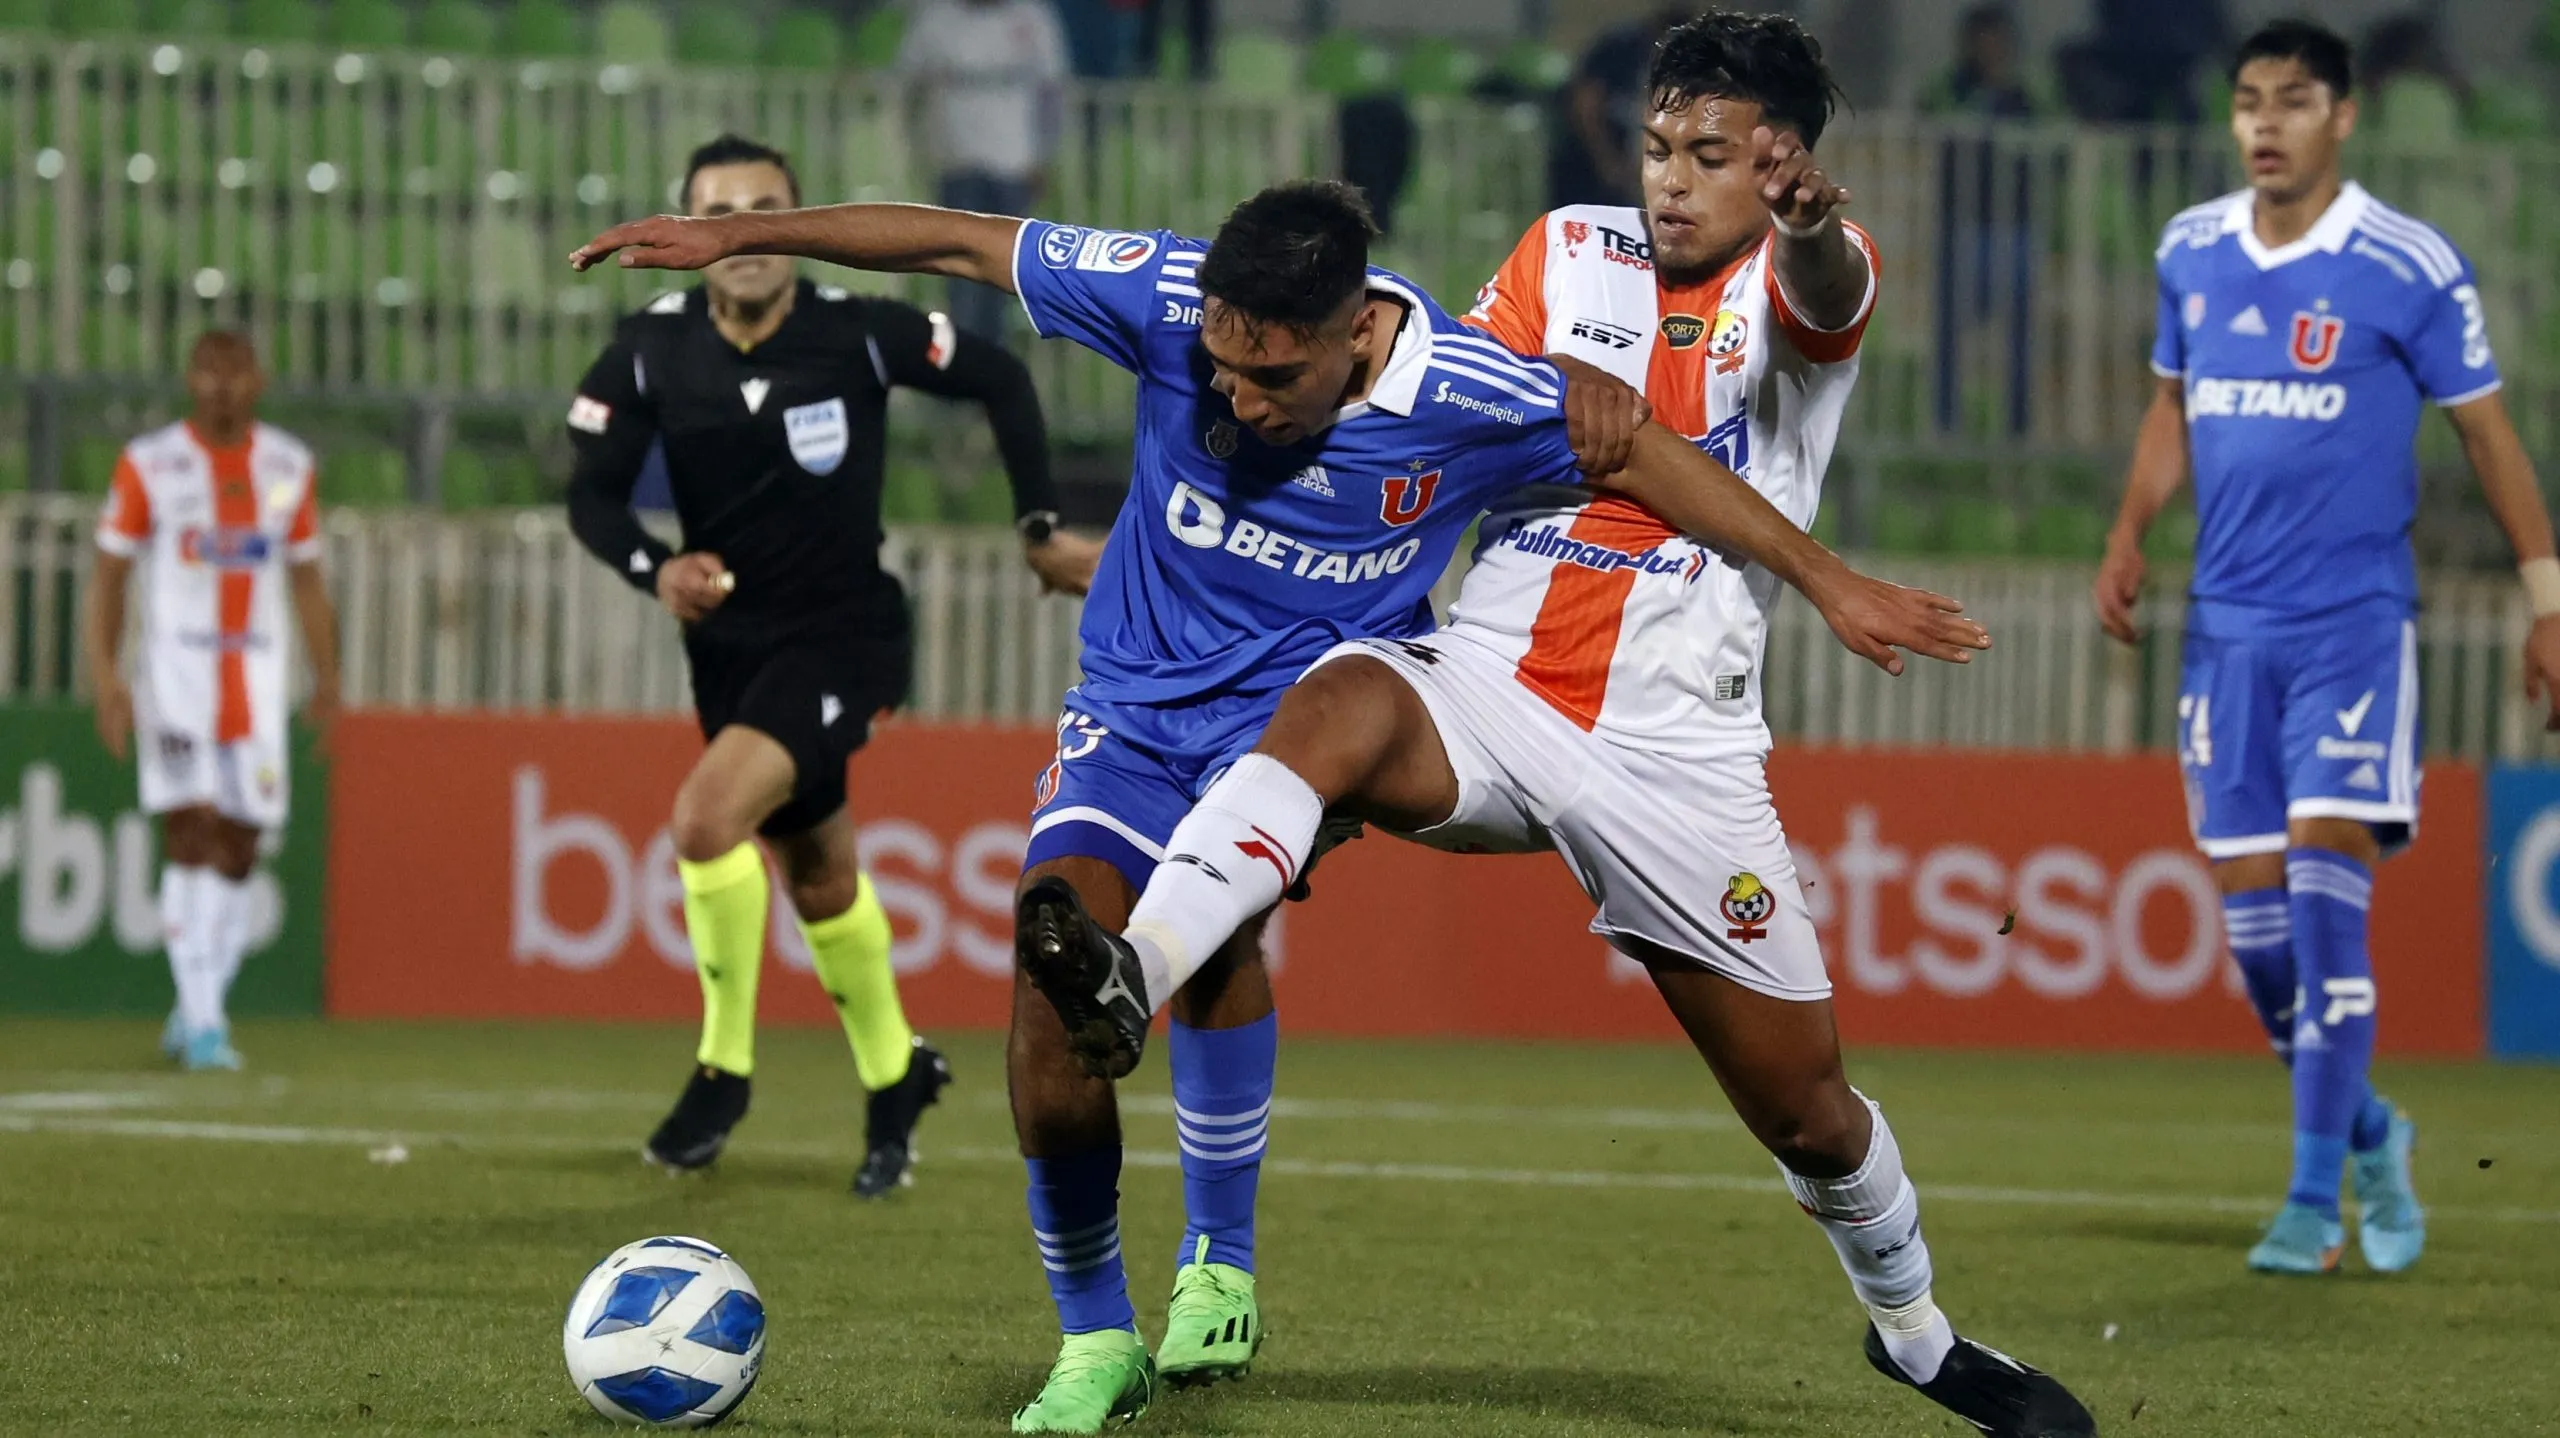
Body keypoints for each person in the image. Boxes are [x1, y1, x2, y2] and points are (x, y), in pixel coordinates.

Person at [572, 175, 1985, 1436]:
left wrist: (1823, 576)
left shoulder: (1469, 391)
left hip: (1303, 731)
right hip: (1127, 716)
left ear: (1353, 333)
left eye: (1272, 377)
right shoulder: (1169, 293)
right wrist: (738, 233)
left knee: (1214, 929)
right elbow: (954, 240)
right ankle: (1096, 1338)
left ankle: (1223, 1260)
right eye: (1221, 366)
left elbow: (1646, 456)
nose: (1236, 397)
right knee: (1051, 987)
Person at [1014, 15, 2095, 1437]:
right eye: (1658, 147)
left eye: (1710, 154)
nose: (1670, 178)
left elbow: (1831, 292)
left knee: (1809, 1111)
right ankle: (1130, 978)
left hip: (1675, 749)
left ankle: (1916, 1329)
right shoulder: (1566, 252)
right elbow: (1426, 393)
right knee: (1338, 694)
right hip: (1487, 682)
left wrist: (1818, 233)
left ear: (1781, 162)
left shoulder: (1806, 267)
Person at [2095, 20, 2560, 1275]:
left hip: (2352, 628)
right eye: (2248, 100)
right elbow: (2167, 411)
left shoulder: (2407, 265)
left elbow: (2489, 437)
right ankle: (2368, 1130)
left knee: (2324, 896)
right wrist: (2131, 529)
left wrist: (2547, 595)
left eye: (2291, 101)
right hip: (2223, 631)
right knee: (2256, 948)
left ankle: (2310, 1201)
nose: (2263, 123)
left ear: (2340, 117)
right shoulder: (2190, 249)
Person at [562, 134, 1101, 1197]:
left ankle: (722, 1069)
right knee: (817, 877)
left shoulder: (854, 333)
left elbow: (999, 375)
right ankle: (897, 1073)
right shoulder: (647, 350)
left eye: (763, 208)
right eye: (719, 209)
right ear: (689, 231)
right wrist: (656, 568)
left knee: (706, 820)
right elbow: (590, 492)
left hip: (844, 638)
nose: (743, 232)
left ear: (790, 228)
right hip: (728, 650)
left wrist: (1039, 521)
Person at [84, 330, 342, 1072]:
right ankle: (204, 1021)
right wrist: (107, 676)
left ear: (258, 380)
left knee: (241, 844)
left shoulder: (288, 466)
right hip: (175, 680)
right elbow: (107, 575)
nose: (221, 386)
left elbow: (305, 577)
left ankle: (197, 1004)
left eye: (234, 373)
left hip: (259, 683)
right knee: (191, 831)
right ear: (189, 378)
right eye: (208, 371)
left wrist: (328, 679)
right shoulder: (149, 464)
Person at [898, 0, 1069, 345]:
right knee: (961, 277)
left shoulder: (1032, 17)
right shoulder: (936, 17)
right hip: (957, 163)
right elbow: (907, 84)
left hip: (1014, 166)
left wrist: (1044, 157)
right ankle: (965, 367)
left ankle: (992, 368)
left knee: (1007, 276)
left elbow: (1052, 92)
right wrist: (920, 150)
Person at [1549, 4, 1688, 209]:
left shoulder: (1684, 59)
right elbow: (1586, 106)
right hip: (1588, 172)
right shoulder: (1620, 48)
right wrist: (1607, 161)